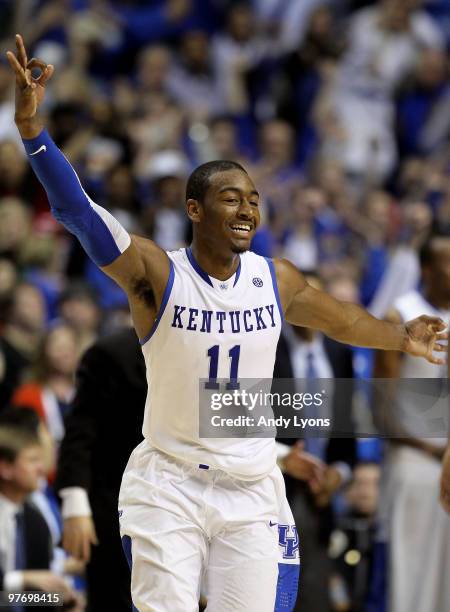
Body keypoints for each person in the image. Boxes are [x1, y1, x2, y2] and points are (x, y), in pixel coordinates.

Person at [6, 34, 447, 612]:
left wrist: (400, 337)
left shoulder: (276, 277)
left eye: (254, 200)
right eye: (231, 199)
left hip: (253, 488)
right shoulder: (157, 273)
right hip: (170, 483)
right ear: (195, 209)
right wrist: (34, 137)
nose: (248, 211)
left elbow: (340, 318)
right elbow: (78, 214)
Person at [374, 234, 450, 612]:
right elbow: (380, 407)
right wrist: (429, 447)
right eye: (447, 262)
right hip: (412, 457)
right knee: (406, 572)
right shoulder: (401, 314)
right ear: (426, 270)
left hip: (447, 458)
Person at [55, 326, 146, 612]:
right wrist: (75, 507)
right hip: (118, 508)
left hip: (198, 502)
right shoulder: (111, 352)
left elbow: (231, 423)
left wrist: (280, 455)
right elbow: (79, 434)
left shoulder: (215, 348)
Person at [0, 416, 77, 609]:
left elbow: (13, 598)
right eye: (32, 460)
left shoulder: (34, 520)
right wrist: (22, 578)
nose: (41, 469)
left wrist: (65, 601)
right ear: (5, 468)